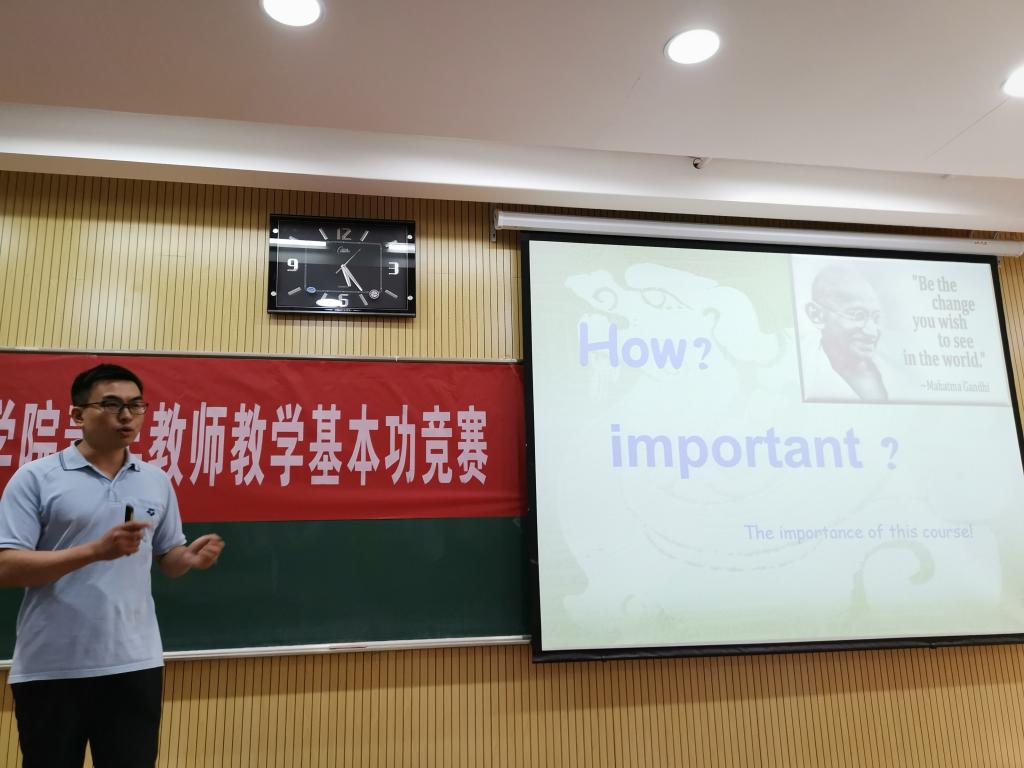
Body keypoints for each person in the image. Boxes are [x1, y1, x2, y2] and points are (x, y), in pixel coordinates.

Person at [0, 363, 225, 767]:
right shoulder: (35, 478)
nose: (126, 416)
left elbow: (168, 560)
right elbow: (7, 567)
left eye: (136, 406)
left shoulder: (155, 480)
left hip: (135, 664)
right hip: (52, 666)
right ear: (77, 414)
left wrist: (187, 558)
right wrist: (94, 551)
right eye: (111, 405)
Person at [802, 264, 895, 401]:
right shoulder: (803, 372)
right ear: (816, 315)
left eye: (876, 318)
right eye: (858, 315)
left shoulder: (896, 370)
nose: (872, 333)